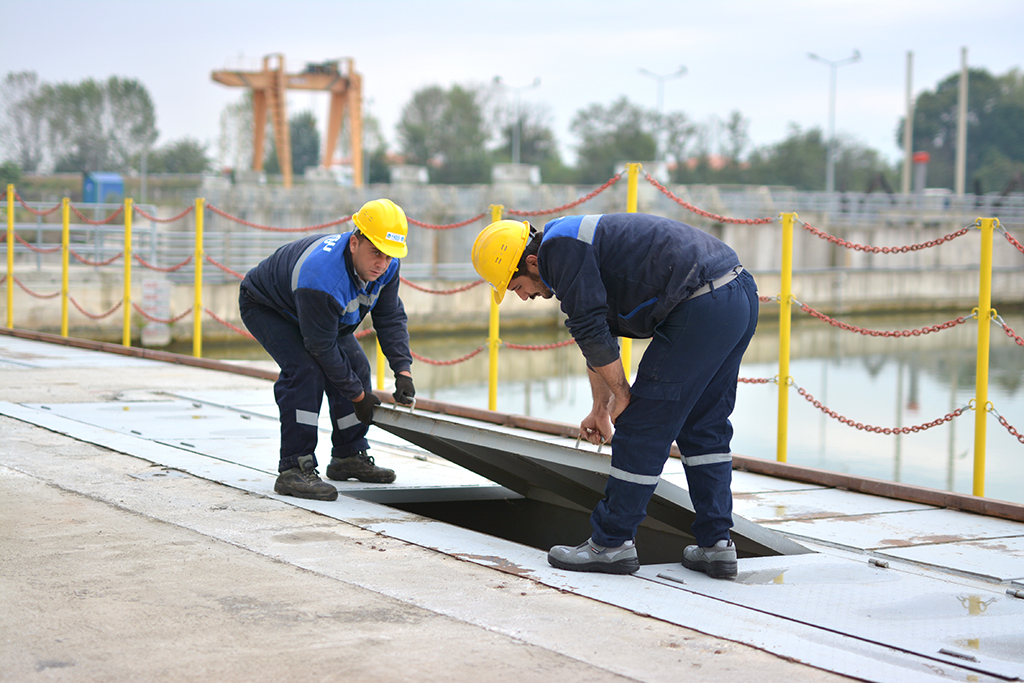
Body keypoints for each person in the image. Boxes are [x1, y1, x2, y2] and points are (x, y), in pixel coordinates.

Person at [471, 213, 758, 579]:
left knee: (640, 427)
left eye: (517, 287)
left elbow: (589, 329)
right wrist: (600, 408)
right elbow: (600, 335)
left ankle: (611, 544)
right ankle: (716, 546)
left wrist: (623, 396)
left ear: (531, 262)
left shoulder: (559, 250)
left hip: (700, 303)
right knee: (705, 425)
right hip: (737, 296)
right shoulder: (577, 243)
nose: (525, 297)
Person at [239, 198, 416, 501]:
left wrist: (403, 370)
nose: (382, 264)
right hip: (269, 307)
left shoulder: (386, 267)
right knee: (305, 370)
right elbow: (321, 348)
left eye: (389, 256)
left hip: (318, 312)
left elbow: (389, 317)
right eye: (376, 253)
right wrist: (360, 398)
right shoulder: (323, 277)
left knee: (357, 368)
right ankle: (295, 467)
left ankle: (349, 455)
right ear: (354, 243)